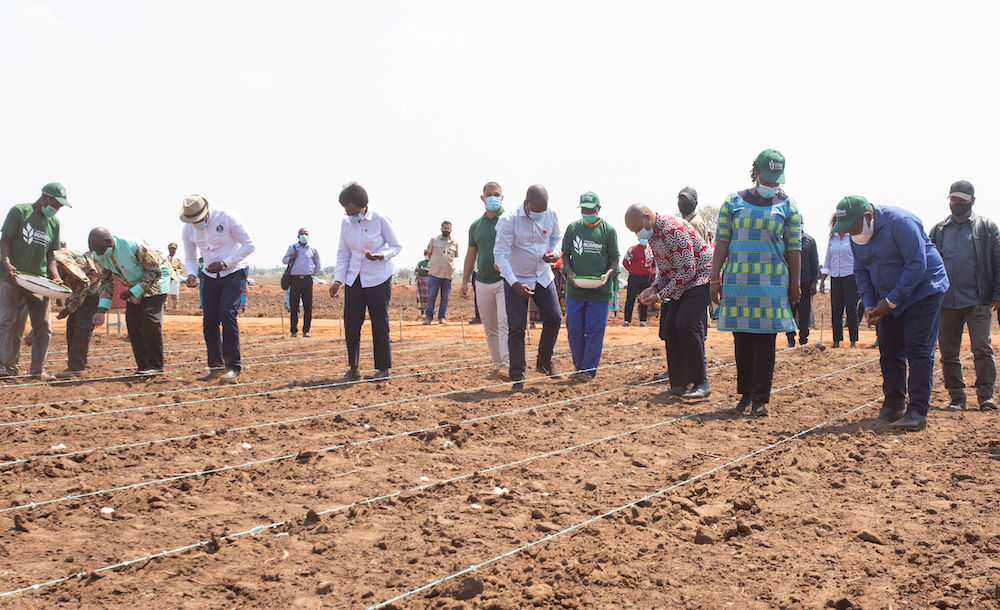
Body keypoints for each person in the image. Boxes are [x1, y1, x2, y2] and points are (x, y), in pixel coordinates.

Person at [834, 195, 949, 431]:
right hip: (887, 295)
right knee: (889, 348)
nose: (851, 235)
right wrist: (869, 305)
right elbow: (861, 271)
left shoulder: (901, 222)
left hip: (923, 290)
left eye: (853, 228)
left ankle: (917, 411)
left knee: (918, 349)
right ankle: (894, 405)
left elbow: (917, 265)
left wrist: (890, 302)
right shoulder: (857, 237)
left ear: (868, 218)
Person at [710, 149, 801, 418]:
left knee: (765, 343)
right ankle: (745, 395)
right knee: (743, 340)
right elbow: (722, 242)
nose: (771, 185)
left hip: (772, 284)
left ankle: (761, 398)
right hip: (738, 282)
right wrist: (714, 279)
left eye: (776, 180)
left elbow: (794, 248)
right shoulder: (732, 202)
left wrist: (795, 283)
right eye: (767, 178)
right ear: (756, 172)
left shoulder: (788, 206)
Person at [626, 203, 713, 398]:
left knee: (686, 324)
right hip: (681, 281)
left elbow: (688, 270)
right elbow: (666, 270)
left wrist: (660, 295)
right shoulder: (654, 237)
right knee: (670, 327)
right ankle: (679, 383)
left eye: (638, 229)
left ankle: (701, 382)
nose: (638, 235)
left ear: (648, 218)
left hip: (700, 278)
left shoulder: (674, 229)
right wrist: (653, 288)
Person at [929, 180, 1000, 412]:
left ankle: (985, 396)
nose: (957, 203)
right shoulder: (938, 230)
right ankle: (957, 397)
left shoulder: (987, 228)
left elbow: (998, 264)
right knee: (949, 352)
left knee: (982, 348)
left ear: (973, 200)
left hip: (978, 300)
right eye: (953, 199)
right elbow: (929, 263)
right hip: (946, 302)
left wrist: (997, 294)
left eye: (961, 199)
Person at [329, 182, 401, 381]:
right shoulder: (346, 224)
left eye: (354, 212)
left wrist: (381, 255)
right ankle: (354, 368)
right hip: (354, 279)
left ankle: (383, 370)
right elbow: (343, 254)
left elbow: (395, 246)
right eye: (347, 212)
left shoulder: (380, 220)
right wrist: (338, 280)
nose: (351, 216)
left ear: (364, 206)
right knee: (351, 324)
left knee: (379, 324)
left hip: (378, 278)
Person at [180, 195, 255, 383]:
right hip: (210, 275)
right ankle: (215, 367)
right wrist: (191, 274)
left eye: (198, 220)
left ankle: (233, 367)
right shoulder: (188, 229)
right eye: (192, 221)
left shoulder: (228, 217)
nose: (195, 224)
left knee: (227, 313)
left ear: (206, 212)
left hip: (234, 271)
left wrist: (224, 263)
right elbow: (190, 256)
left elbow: (249, 245)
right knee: (209, 320)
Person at [494, 184, 562, 392]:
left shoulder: (550, 215)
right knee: (516, 327)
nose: (539, 216)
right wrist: (514, 283)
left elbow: (557, 237)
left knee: (554, 317)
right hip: (515, 277)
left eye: (543, 211)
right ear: (526, 203)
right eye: (536, 212)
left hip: (542, 275)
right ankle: (517, 376)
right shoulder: (508, 220)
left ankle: (544, 361)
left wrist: (555, 253)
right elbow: (500, 254)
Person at [0, 183, 70, 381]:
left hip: (38, 282)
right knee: (7, 322)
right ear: (45, 197)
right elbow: (4, 241)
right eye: (56, 204)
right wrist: (6, 263)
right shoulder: (20, 211)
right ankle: (2, 366)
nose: (58, 208)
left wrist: (55, 277)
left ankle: (37, 372)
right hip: (13, 278)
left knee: (43, 327)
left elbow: (51, 255)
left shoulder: (54, 223)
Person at [88, 228, 171, 374]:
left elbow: (155, 272)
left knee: (149, 317)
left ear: (109, 242)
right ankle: (143, 366)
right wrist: (101, 310)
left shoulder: (134, 246)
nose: (99, 254)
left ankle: (155, 365)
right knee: (132, 322)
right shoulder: (99, 256)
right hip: (133, 285)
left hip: (156, 281)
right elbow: (106, 283)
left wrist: (133, 291)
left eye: (100, 250)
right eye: (95, 251)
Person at [562, 192, 619, 381]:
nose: (587, 213)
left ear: (599, 209)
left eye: (591, 209)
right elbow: (565, 255)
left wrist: (607, 275)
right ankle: (579, 367)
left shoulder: (608, 231)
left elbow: (614, 259)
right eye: (584, 210)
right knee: (574, 329)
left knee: (595, 331)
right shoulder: (573, 228)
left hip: (599, 292)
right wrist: (569, 272)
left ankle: (588, 370)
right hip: (575, 290)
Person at [461, 181, 509, 379]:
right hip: (481, 281)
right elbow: (471, 256)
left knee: (505, 323)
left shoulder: (509, 220)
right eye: (489, 194)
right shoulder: (476, 226)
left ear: (502, 197)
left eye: (496, 194)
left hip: (505, 280)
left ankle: (507, 364)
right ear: (482, 198)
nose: (493, 197)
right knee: (490, 327)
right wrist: (464, 282)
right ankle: (497, 364)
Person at [53, 247, 102, 377]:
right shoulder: (46, 260)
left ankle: (76, 368)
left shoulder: (61, 260)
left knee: (81, 325)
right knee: (72, 325)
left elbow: (84, 283)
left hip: (91, 291)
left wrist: (70, 307)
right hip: (79, 292)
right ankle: (74, 365)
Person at [819, 222, 859, 348]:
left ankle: (853, 342)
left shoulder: (853, 237)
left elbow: (858, 260)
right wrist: (822, 279)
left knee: (851, 310)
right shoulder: (832, 238)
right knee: (836, 311)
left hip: (850, 276)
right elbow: (828, 260)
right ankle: (836, 341)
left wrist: (860, 281)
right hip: (835, 277)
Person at [282, 228, 322, 338]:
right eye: (302, 234)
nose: (304, 236)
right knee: (294, 306)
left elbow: (318, 264)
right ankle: (293, 331)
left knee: (308, 306)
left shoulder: (313, 249)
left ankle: (306, 331)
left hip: (307, 280)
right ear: (298, 236)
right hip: (294, 280)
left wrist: (312, 273)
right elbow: (284, 260)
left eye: (306, 234)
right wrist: (292, 257)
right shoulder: (292, 248)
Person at [787, 219, 820, 347]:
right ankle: (790, 340)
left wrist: (814, 282)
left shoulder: (810, 241)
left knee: (804, 313)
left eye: (799, 221)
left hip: (806, 281)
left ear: (803, 223)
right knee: (790, 312)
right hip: (789, 283)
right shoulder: (787, 240)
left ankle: (803, 340)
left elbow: (814, 262)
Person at [424, 220, 458, 324]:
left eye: (448, 228)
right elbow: (429, 254)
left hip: (448, 274)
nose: (446, 230)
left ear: (451, 230)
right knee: (431, 296)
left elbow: (454, 256)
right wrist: (436, 264)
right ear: (441, 229)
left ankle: (442, 317)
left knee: (445, 298)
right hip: (435, 273)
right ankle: (428, 317)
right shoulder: (434, 240)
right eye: (445, 228)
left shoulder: (454, 243)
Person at [622, 238, 654, 327]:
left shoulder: (651, 250)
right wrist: (632, 270)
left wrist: (653, 277)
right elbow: (625, 261)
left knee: (644, 299)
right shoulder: (632, 249)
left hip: (647, 278)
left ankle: (642, 320)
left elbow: (654, 264)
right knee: (630, 299)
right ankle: (627, 320)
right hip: (634, 277)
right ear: (639, 239)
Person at [166, 242, 184, 310]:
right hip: (166, 279)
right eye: (171, 249)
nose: (173, 251)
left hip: (174, 280)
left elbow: (181, 270)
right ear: (169, 250)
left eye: (174, 249)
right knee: (165, 295)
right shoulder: (165, 258)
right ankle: (164, 309)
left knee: (175, 296)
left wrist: (176, 270)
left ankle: (175, 310)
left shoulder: (178, 260)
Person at [415, 249, 430, 319]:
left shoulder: (433, 262)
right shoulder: (420, 262)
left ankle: (429, 313)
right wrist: (425, 271)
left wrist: (422, 271)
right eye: (426, 253)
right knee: (421, 297)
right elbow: (416, 270)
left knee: (429, 297)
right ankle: (422, 313)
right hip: (421, 282)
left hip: (429, 281)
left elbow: (430, 271)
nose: (427, 255)